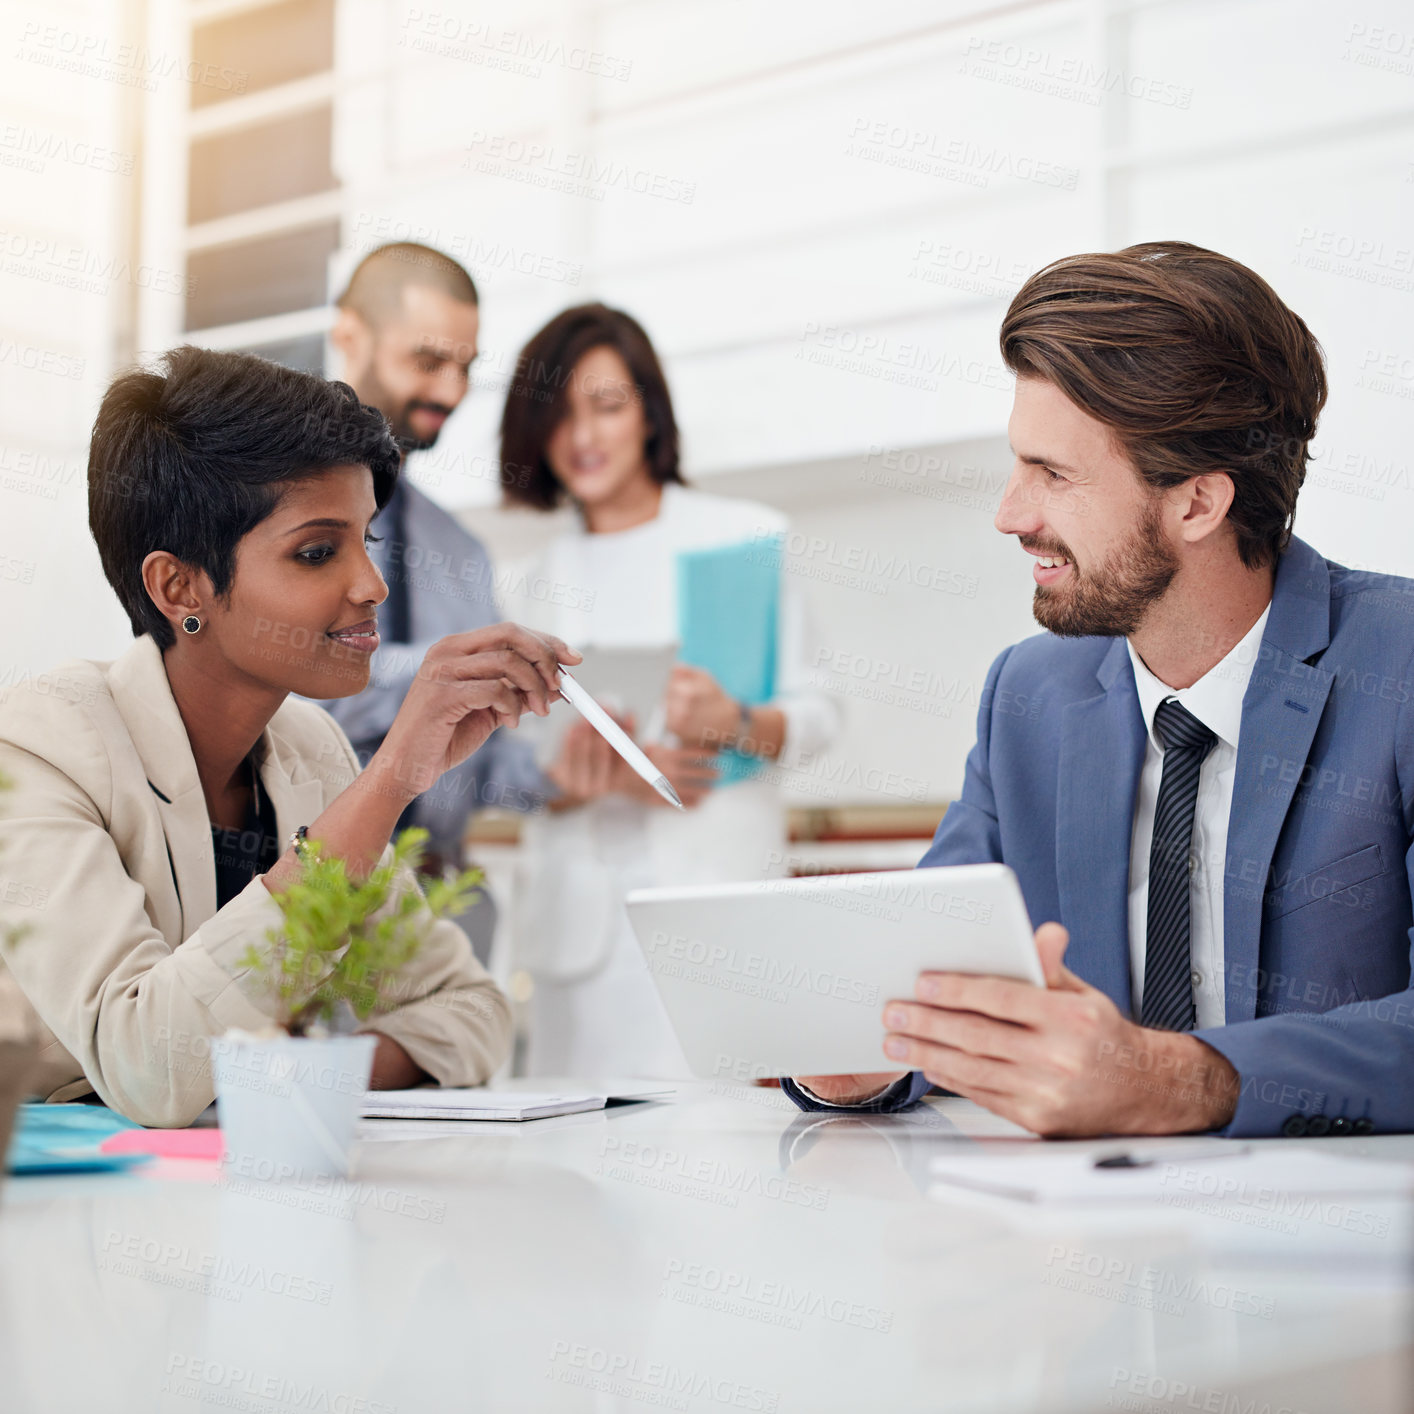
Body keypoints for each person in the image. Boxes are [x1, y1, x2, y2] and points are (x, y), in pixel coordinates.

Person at [792, 241, 1414, 1139]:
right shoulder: (1029, 698)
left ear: (1197, 504)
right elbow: (933, 979)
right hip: (1091, 1253)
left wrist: (1177, 1081)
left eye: (1053, 474)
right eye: (1017, 465)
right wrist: (859, 1058)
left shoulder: (1394, 667)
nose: (1010, 513)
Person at [0, 346, 578, 1127]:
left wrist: (293, 1071)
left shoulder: (309, 750)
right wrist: (390, 782)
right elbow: (145, 1064)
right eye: (316, 551)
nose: (373, 586)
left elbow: (472, 1012)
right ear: (180, 587)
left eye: (366, 540)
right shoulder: (38, 748)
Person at [499, 303, 840, 1077]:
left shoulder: (740, 538)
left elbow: (819, 711)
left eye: (607, 406)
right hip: (581, 931)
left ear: (649, 413)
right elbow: (506, 764)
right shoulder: (530, 582)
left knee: (723, 1150)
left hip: (713, 902)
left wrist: (737, 720)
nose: (584, 437)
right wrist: (572, 778)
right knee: (576, 1164)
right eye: (560, 416)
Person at [317, 243, 560, 930]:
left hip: (443, 919)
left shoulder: (462, 552)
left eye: (465, 368)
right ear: (349, 338)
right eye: (428, 362)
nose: (452, 392)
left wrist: (565, 771)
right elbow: (280, 692)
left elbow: (483, 768)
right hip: (304, 908)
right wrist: (431, 676)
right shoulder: (261, 512)